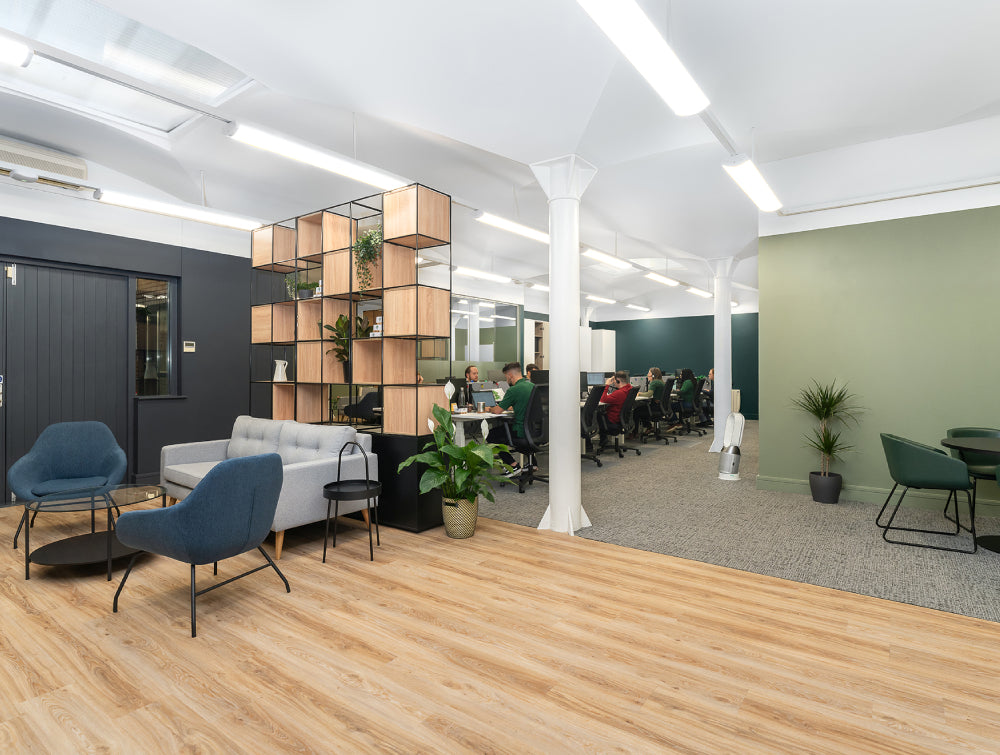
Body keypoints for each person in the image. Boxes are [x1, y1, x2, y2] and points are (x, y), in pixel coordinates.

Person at [486, 361, 533, 470]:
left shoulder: (513, 390)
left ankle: (512, 464)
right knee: (501, 431)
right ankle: (533, 464)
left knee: (491, 435)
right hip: (533, 430)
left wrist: (489, 408)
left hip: (520, 431)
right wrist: (512, 407)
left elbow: (497, 411)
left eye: (506, 377)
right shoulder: (532, 386)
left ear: (510, 375)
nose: (506, 379)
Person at [635, 367, 665, 434]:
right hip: (661, 407)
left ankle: (635, 432)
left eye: (649, 373)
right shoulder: (661, 382)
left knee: (637, 411)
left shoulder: (654, 382)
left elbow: (649, 394)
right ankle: (649, 427)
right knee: (643, 408)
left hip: (655, 407)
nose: (647, 374)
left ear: (653, 375)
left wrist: (639, 394)